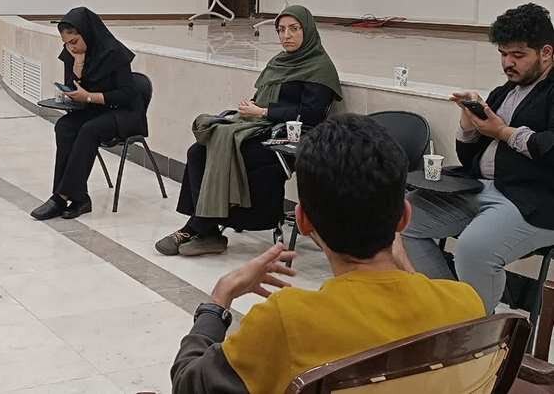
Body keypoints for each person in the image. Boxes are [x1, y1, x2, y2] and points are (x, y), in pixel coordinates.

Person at [170, 114, 485, 394]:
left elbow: (188, 384)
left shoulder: (287, 322)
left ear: (303, 221)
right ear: (404, 217)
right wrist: (408, 271)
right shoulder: (465, 304)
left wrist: (219, 299)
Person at [403, 3, 554, 314]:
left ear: (546, 53)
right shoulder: (505, 92)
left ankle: (477, 328)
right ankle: (450, 310)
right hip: (480, 187)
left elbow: (547, 147)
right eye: (503, 54)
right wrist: (468, 124)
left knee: (474, 249)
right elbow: (470, 157)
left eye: (518, 55)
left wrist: (502, 132)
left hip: (534, 200)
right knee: (401, 218)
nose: (508, 63)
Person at [156, 5, 342, 257]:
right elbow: (261, 97)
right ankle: (208, 231)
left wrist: (264, 112)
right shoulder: (278, 62)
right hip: (257, 127)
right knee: (198, 151)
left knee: (233, 154)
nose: (286, 35)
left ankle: (199, 228)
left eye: (294, 28)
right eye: (281, 30)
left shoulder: (320, 68)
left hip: (287, 137)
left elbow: (311, 114)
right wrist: (250, 108)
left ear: (307, 30)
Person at [30, 7, 144, 220]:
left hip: (124, 114)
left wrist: (89, 97)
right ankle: (80, 198)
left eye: (74, 41)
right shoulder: (73, 54)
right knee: (64, 126)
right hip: (95, 110)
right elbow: (73, 87)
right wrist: (78, 65)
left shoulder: (114, 53)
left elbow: (127, 95)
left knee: (89, 130)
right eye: (66, 43)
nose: (70, 47)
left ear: (87, 33)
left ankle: (60, 197)